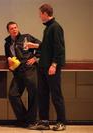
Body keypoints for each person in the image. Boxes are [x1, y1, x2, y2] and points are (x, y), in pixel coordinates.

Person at [34, 3, 66, 131]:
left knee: (56, 95)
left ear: (45, 14)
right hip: (43, 67)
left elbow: (59, 49)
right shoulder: (47, 28)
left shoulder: (55, 27)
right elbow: (47, 47)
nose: (39, 16)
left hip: (51, 68)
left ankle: (61, 122)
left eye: (40, 14)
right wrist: (34, 46)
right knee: (43, 94)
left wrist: (54, 64)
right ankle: (44, 121)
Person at [4, 21, 41, 128]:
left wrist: (35, 58)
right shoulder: (7, 43)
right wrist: (9, 60)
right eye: (11, 28)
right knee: (13, 94)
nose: (14, 29)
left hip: (30, 70)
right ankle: (24, 119)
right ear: (8, 31)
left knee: (33, 95)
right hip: (18, 72)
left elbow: (42, 46)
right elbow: (8, 56)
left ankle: (32, 121)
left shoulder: (26, 37)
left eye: (15, 27)